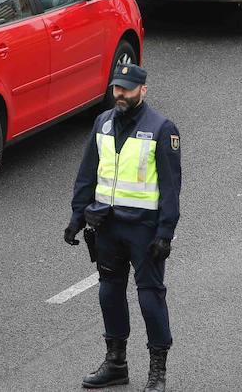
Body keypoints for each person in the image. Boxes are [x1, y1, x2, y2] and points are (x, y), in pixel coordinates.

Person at [66, 64, 181, 392]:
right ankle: (116, 363)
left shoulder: (162, 129)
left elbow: (171, 189)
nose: (120, 94)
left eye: (127, 89)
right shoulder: (102, 123)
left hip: (144, 231)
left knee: (149, 298)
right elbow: (87, 174)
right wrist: (76, 218)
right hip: (106, 226)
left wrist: (165, 233)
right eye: (117, 88)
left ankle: (157, 370)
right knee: (109, 292)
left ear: (142, 91)